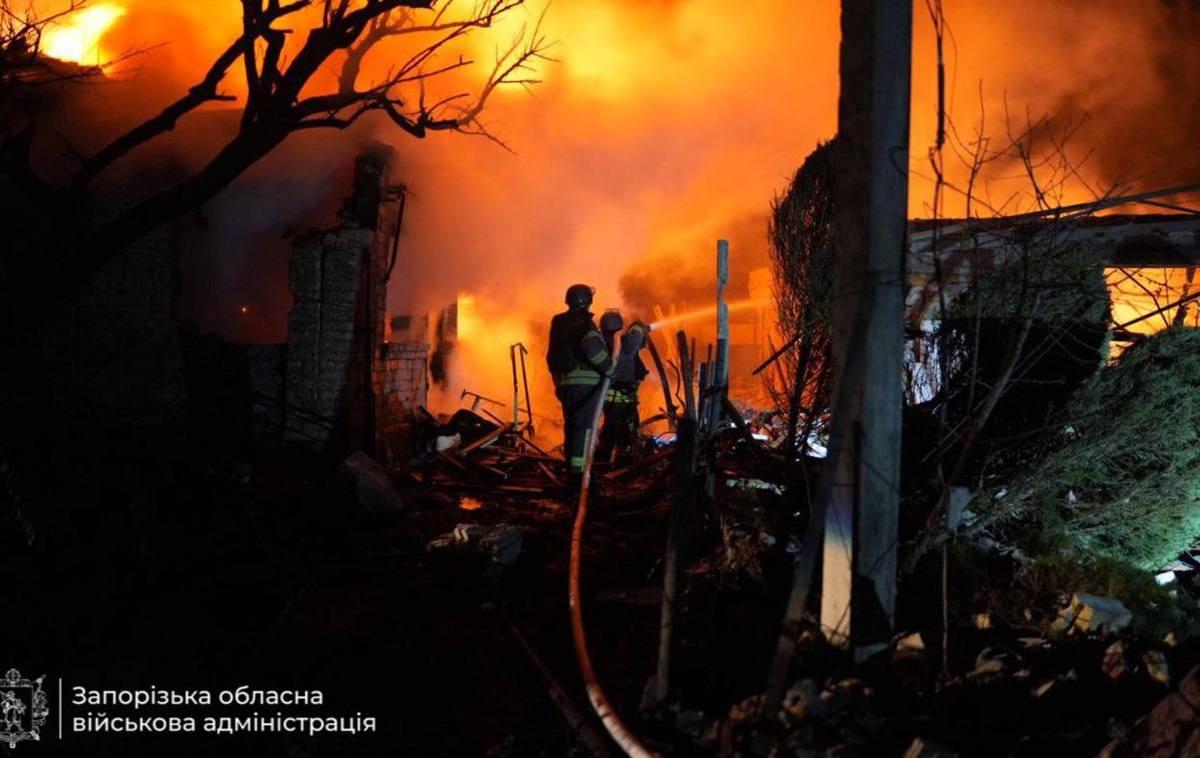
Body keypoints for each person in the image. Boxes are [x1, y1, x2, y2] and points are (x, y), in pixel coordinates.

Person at [547, 284, 614, 488]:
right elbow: (593, 349)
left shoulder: (559, 323)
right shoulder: (585, 323)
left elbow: (551, 356)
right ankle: (580, 477)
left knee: (572, 428)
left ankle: (573, 471)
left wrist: (558, 379)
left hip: (564, 384)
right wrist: (609, 369)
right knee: (584, 430)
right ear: (588, 301)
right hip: (586, 386)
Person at [597, 311, 650, 463]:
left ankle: (602, 461)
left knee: (610, 429)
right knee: (624, 433)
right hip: (623, 399)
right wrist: (638, 325)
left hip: (608, 398)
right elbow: (636, 338)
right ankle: (622, 463)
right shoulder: (623, 342)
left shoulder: (601, 343)